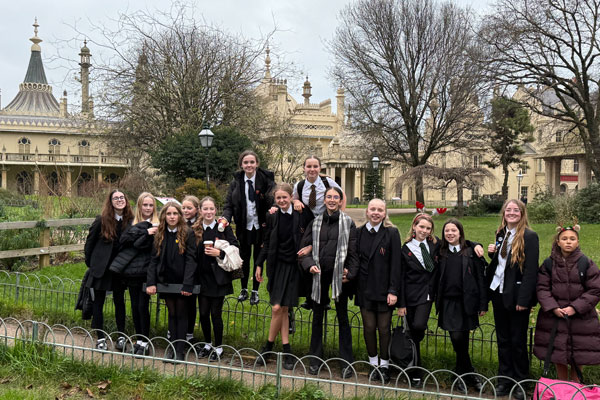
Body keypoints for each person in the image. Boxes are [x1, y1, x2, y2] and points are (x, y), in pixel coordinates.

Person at [300, 186, 358, 378]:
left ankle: (346, 362)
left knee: (343, 318)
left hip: (339, 276)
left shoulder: (348, 223)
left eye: (336, 197)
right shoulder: (315, 222)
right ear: (324, 200)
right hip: (319, 275)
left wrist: (350, 273)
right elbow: (304, 250)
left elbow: (353, 252)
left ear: (341, 201)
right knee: (317, 318)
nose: (332, 200)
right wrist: (309, 265)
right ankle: (315, 359)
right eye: (329, 197)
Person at [486, 199, 539, 400]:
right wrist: (492, 254)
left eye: (516, 210)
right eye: (508, 210)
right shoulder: (501, 233)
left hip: (517, 295)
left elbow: (531, 271)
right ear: (504, 213)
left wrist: (524, 300)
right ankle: (504, 379)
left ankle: (520, 381)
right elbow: (502, 263)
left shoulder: (529, 236)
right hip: (498, 292)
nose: (512, 213)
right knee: (503, 339)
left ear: (522, 213)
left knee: (517, 340)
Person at [533, 224, 600, 382]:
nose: (568, 242)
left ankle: (576, 386)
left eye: (572, 239)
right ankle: (561, 385)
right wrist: (553, 307)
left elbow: (595, 289)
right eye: (564, 239)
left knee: (578, 353)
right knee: (558, 353)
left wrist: (575, 307)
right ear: (558, 242)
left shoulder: (586, 263)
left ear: (578, 242)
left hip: (580, 318)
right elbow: (542, 288)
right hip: (555, 317)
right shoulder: (549, 264)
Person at [255, 183, 311, 370]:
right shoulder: (272, 216)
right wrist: (259, 264)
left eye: (284, 197)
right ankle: (286, 350)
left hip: (294, 266)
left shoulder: (301, 213)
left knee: (281, 308)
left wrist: (310, 247)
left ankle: (268, 348)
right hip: (277, 266)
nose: (281, 201)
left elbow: (313, 230)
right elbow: (266, 242)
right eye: (278, 198)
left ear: (291, 197)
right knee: (279, 309)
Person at [435, 218, 487, 392]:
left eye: (454, 230)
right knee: (456, 338)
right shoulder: (440, 252)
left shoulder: (470, 252)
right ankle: (468, 372)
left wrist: (483, 304)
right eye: (447, 231)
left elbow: (480, 279)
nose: (450, 233)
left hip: (467, 302)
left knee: (463, 339)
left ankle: (461, 374)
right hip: (448, 302)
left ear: (460, 232)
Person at [355, 199, 401, 384]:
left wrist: (393, 290)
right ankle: (373, 363)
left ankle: (385, 365)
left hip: (384, 290)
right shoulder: (359, 233)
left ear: (384, 213)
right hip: (365, 288)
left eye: (380, 210)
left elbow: (396, 264)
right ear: (367, 212)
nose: (376, 212)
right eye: (372, 209)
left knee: (383, 329)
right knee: (368, 328)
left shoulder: (391, 233)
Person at [292, 155, 345, 311]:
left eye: (315, 166)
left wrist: (340, 215)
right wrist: (296, 201)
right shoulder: (300, 185)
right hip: (308, 226)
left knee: (323, 259)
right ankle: (310, 297)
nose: (312, 169)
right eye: (309, 166)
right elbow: (293, 198)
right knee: (306, 258)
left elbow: (341, 196)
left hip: (326, 224)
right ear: (304, 168)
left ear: (320, 168)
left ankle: (325, 298)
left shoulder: (327, 182)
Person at [146, 202, 197, 361]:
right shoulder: (160, 234)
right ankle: (172, 347)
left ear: (180, 216)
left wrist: (187, 283)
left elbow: (191, 260)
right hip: (166, 281)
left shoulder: (188, 233)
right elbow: (153, 259)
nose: (172, 217)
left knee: (181, 313)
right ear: (164, 216)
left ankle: (180, 350)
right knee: (172, 313)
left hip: (182, 282)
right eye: (169, 214)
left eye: (175, 213)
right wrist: (151, 282)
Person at [223, 150, 274, 305]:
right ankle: (244, 289)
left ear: (257, 164)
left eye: (252, 162)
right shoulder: (236, 182)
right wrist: (225, 218)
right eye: (246, 162)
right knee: (244, 258)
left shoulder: (266, 180)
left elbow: (274, 198)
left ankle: (255, 291)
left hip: (261, 227)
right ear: (241, 164)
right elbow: (229, 204)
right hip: (244, 226)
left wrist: (274, 208)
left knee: (259, 259)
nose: (249, 165)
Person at [84, 189, 133, 350]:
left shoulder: (130, 221)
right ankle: (100, 338)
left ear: (126, 200)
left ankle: (121, 336)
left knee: (120, 302)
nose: (119, 200)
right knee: (98, 302)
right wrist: (92, 264)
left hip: (119, 269)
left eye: (122, 197)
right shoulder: (101, 220)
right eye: (115, 198)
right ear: (110, 202)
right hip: (102, 269)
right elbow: (89, 244)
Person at [110, 192, 158, 355]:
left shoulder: (158, 224)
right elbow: (125, 241)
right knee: (135, 306)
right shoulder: (132, 223)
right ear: (139, 206)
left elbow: (146, 247)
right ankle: (139, 340)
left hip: (147, 271)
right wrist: (145, 233)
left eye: (150, 205)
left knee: (143, 306)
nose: (148, 208)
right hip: (132, 271)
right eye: (145, 205)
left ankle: (145, 341)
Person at [193, 196, 239, 362]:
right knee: (203, 313)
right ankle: (207, 344)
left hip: (218, 278)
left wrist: (219, 253)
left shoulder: (222, 228)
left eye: (211, 209)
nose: (208, 212)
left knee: (215, 314)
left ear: (216, 210)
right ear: (200, 211)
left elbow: (235, 246)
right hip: (201, 277)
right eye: (205, 209)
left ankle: (218, 347)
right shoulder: (196, 229)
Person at [397, 213, 439, 386]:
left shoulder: (435, 245)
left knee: (419, 327)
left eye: (428, 228)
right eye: (421, 227)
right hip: (411, 295)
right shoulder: (405, 249)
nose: (424, 231)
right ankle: (415, 371)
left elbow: (458, 240)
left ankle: (412, 364)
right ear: (414, 226)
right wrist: (401, 304)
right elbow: (401, 278)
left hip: (427, 294)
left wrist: (476, 245)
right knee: (413, 334)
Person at [182, 195, 201, 343]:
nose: (186, 210)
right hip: (180, 266)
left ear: (196, 209)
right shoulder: (179, 223)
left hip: (196, 267)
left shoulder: (200, 224)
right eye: (184, 208)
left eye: (189, 208)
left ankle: (189, 333)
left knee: (191, 302)